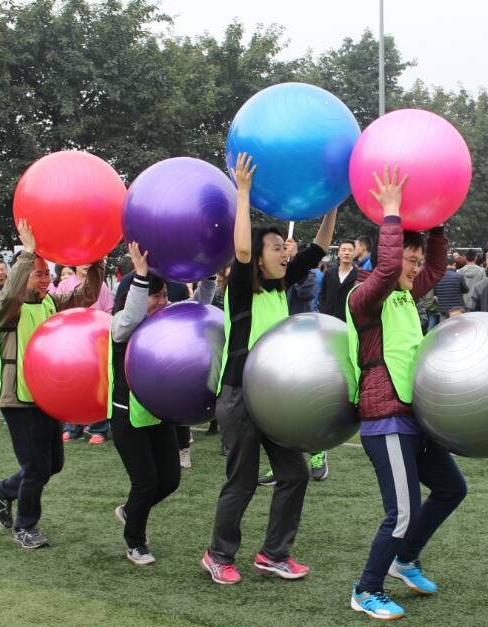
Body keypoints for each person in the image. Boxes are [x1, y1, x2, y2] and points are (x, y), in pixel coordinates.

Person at [201, 153, 336, 585]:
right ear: (259, 258)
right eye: (276, 248)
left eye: (284, 247)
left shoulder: (281, 283)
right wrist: (242, 192)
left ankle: (273, 554)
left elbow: (319, 248)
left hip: (274, 399)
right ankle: (218, 555)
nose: (284, 252)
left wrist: (332, 201)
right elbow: (242, 249)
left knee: (294, 474)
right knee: (241, 483)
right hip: (240, 395)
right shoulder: (242, 286)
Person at [346, 166, 464, 620]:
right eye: (408, 261)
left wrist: (437, 220)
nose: (415, 269)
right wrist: (391, 212)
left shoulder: (405, 295)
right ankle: (366, 589)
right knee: (402, 512)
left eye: (415, 261)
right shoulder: (365, 297)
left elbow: (434, 266)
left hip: (416, 417)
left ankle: (405, 559)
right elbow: (389, 267)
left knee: (451, 488)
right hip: (386, 420)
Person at [0, 220, 103, 549]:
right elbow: (10, 292)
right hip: (19, 399)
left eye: (47, 273)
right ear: (23, 275)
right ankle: (25, 527)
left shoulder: (51, 302)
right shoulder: (8, 309)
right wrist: (28, 253)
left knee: (54, 465)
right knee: (36, 467)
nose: (46, 278)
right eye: (39, 274)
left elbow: (86, 295)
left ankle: (1, 490)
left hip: (48, 397)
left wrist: (96, 262)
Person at [109, 242, 216, 565]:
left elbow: (199, 307)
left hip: (160, 414)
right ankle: (135, 542)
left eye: (165, 294)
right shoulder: (121, 324)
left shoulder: (166, 321)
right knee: (145, 483)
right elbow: (131, 317)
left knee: (169, 480)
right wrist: (141, 276)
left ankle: (130, 511)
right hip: (129, 417)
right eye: (156, 295)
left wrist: (208, 274)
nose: (163, 301)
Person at [55, 264, 115, 443]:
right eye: (83, 260)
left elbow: (108, 311)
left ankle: (98, 428)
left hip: (96, 340)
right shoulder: (65, 284)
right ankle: (72, 427)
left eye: (90, 260)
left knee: (99, 383)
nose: (86, 264)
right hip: (71, 342)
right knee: (72, 383)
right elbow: (58, 312)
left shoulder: (101, 285)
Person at [317, 239, 359, 321]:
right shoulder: (329, 273)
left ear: (354, 254)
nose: (346, 253)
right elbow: (322, 295)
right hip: (329, 318)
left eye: (350, 250)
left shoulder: (358, 276)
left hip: (349, 320)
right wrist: (323, 311)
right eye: (344, 250)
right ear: (339, 253)